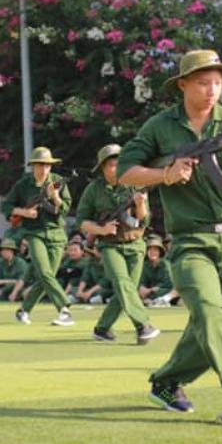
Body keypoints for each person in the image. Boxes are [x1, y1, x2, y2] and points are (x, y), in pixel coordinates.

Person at [118, 49, 222, 427]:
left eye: (218, 83)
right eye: (204, 82)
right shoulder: (160, 127)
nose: (212, 90)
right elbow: (126, 171)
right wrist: (165, 176)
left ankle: (167, 382)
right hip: (190, 241)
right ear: (183, 85)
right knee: (209, 311)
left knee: (214, 323)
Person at [77, 143, 160, 344]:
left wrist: (140, 205)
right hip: (109, 246)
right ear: (103, 167)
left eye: (121, 164)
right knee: (123, 284)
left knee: (127, 289)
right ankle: (143, 326)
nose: (117, 168)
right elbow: (82, 221)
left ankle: (102, 329)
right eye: (113, 164)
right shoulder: (93, 190)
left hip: (135, 244)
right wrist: (101, 230)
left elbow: (144, 221)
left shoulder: (135, 184)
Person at [1, 147, 75, 327]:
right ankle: (64, 308)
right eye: (39, 165)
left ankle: (24, 310)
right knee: (44, 272)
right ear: (32, 166)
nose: (43, 169)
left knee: (46, 277)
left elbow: (65, 209)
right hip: (34, 234)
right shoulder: (23, 184)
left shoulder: (58, 182)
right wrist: (23, 212)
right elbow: (6, 206)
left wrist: (55, 197)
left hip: (57, 234)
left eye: (47, 165)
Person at [138, 235, 174, 306]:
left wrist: (151, 290)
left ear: (159, 252)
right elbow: (141, 281)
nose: (152, 252)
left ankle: (155, 301)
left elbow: (169, 283)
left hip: (162, 290)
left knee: (168, 291)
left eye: (155, 250)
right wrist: (142, 288)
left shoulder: (165, 264)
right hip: (149, 291)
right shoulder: (145, 265)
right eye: (150, 250)